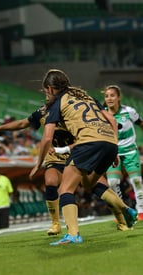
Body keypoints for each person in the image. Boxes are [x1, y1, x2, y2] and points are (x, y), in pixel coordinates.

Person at [0, 105, 133, 233]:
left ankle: (122, 220)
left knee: (98, 185)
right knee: (50, 180)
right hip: (54, 155)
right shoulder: (43, 111)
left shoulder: (73, 110)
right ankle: (56, 223)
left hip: (76, 151)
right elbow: (23, 123)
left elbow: (87, 135)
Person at [30, 69, 137, 245]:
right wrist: (114, 146)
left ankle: (73, 234)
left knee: (65, 189)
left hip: (87, 143)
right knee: (88, 183)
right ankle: (127, 210)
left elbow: (47, 138)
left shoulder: (58, 103)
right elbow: (111, 119)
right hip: (109, 141)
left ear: (49, 88)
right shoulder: (85, 97)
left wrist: (39, 163)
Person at [103, 85, 143, 221]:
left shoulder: (129, 111)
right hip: (112, 153)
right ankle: (122, 210)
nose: (109, 98)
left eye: (112, 95)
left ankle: (141, 211)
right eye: (107, 96)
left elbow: (141, 124)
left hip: (131, 151)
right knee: (113, 182)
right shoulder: (102, 114)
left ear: (119, 97)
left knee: (137, 181)